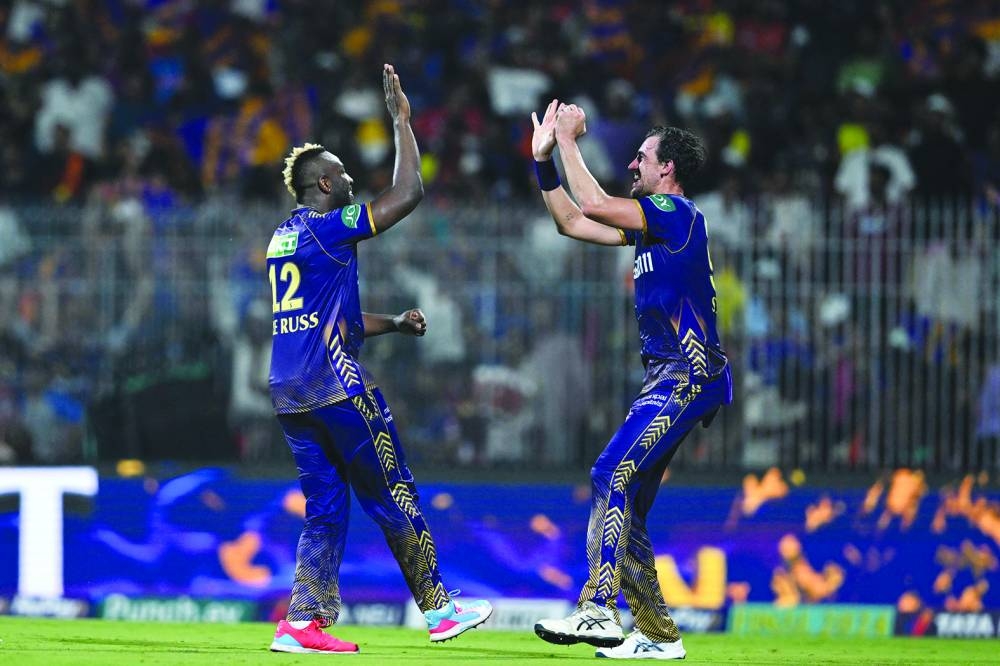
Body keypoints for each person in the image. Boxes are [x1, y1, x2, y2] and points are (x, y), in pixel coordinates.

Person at [266, 64, 492, 655]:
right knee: (393, 490)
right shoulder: (327, 228)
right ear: (321, 186)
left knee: (325, 509)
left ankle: (303, 622)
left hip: (290, 391)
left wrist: (391, 323)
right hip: (337, 387)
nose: (348, 183)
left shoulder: (283, 239)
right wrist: (401, 123)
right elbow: (407, 194)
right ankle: (440, 609)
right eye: (340, 176)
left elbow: (326, 321)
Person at [529, 100, 732, 660]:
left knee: (608, 471)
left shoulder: (675, 212)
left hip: (688, 374)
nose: (633, 167)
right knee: (630, 502)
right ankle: (659, 635)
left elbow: (592, 202)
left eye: (642, 159)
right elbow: (571, 221)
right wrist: (543, 160)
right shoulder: (649, 227)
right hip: (666, 378)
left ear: (668, 170)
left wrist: (569, 139)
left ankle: (598, 609)